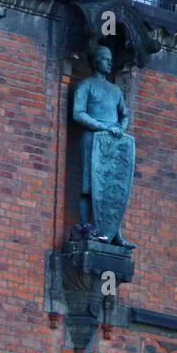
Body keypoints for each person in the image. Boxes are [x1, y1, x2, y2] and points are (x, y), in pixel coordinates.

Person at [72, 44, 134, 247]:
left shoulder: (115, 90)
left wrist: (119, 128)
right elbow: (78, 113)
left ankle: (113, 232)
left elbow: (125, 115)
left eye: (110, 59)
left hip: (113, 142)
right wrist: (103, 127)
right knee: (89, 184)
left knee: (113, 187)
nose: (109, 63)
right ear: (95, 61)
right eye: (105, 59)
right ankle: (85, 228)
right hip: (93, 139)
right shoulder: (86, 85)